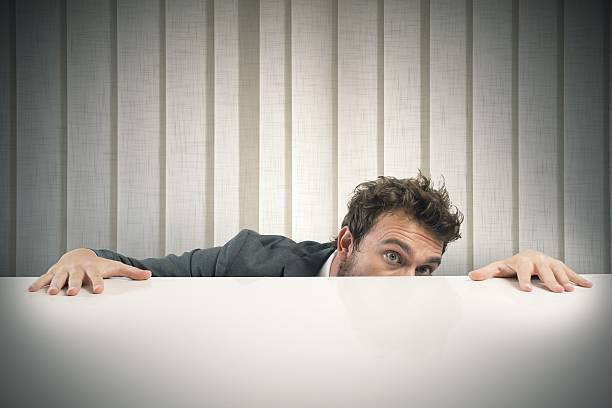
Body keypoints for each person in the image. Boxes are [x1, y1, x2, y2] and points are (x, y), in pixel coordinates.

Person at [27, 171, 593, 296]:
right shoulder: (248, 259)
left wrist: (524, 266)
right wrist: (84, 254)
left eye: (424, 269)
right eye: (393, 257)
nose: (411, 284)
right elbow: (139, 271)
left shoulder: (427, 303)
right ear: (345, 243)